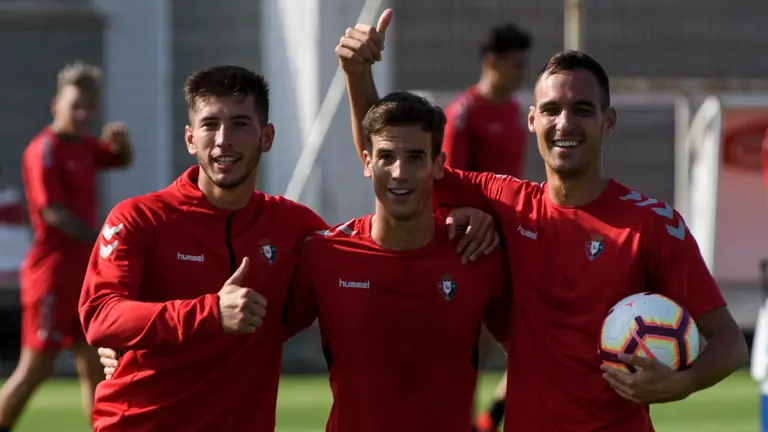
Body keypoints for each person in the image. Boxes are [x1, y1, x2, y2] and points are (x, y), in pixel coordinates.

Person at [337, 9, 749, 432]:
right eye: (551, 110)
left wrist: (681, 382)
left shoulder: (651, 224)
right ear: (533, 120)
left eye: (582, 109)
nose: (564, 123)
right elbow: (394, 159)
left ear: (608, 123)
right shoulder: (508, 202)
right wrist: (357, 74)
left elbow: (729, 342)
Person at [80, 64, 496, 432]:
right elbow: (101, 315)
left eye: (240, 124)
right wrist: (208, 313)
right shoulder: (140, 217)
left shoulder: (295, 228)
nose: (224, 139)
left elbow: (376, 243)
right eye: (210, 125)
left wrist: (461, 213)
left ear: (267, 137)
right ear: (190, 138)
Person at [282, 91, 511, 432]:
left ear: (438, 166)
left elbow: (533, 354)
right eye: (386, 157)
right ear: (366, 162)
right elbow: (255, 342)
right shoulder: (323, 255)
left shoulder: (476, 252)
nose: (400, 172)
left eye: (415, 157)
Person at [0, 61, 133, 432]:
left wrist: (123, 145)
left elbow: (119, 159)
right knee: (36, 368)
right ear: (54, 105)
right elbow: (54, 212)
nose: (83, 114)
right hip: (52, 276)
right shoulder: (44, 149)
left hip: (84, 277)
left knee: (93, 365)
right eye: (75, 105)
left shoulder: (84, 146)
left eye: (89, 107)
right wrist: (103, 242)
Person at [440, 22, 532, 432]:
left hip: (515, 242)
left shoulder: (515, 111)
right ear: (491, 62)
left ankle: (487, 421)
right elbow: (447, 186)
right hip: (473, 249)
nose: (521, 74)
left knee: (535, 341)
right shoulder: (463, 114)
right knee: (467, 350)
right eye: (515, 66)